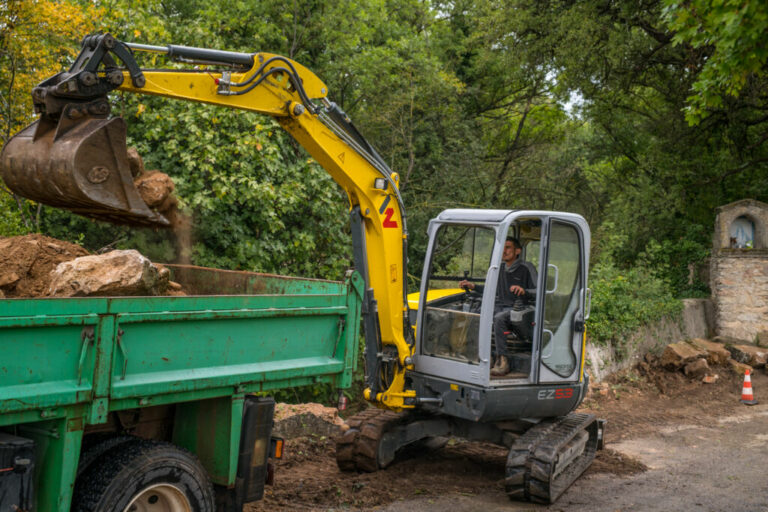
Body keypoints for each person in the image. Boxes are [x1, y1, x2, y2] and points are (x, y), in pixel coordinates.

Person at [459, 236, 537, 375]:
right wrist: (473, 286)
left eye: (508, 248)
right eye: (503, 248)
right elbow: (490, 288)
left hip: (521, 307)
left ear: (517, 251)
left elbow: (539, 292)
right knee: (478, 313)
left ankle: (503, 361)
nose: (504, 251)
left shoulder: (526, 268)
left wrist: (524, 291)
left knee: (499, 318)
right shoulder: (499, 268)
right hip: (501, 305)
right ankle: (484, 355)